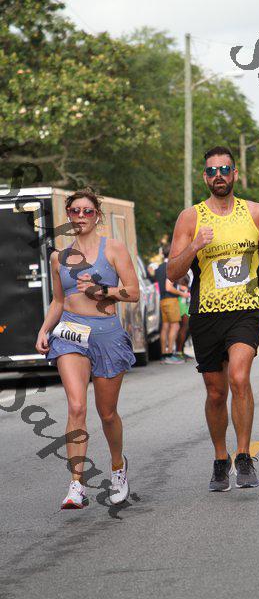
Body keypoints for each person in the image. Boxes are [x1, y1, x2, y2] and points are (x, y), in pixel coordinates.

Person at [167, 146, 259, 491]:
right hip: (206, 313)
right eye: (212, 171)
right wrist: (194, 246)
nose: (219, 176)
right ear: (205, 177)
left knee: (240, 377)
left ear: (235, 174)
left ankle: (243, 455)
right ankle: (220, 457)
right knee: (216, 393)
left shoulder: (256, 212)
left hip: (246, 308)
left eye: (225, 169)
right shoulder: (190, 218)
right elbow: (173, 271)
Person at [35, 188, 139, 509]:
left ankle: (118, 469)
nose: (81, 216)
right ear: (68, 215)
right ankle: (76, 484)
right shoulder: (58, 257)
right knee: (77, 406)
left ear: (97, 216)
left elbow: (133, 292)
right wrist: (44, 329)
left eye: (87, 211)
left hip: (107, 335)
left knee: (107, 413)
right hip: (70, 334)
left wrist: (102, 290)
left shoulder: (114, 249)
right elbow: (58, 301)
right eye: (75, 211)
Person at [154, 243, 190, 364]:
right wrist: (182, 294)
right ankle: (170, 354)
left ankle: (164, 354)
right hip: (171, 300)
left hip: (162, 300)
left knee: (165, 327)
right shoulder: (169, 267)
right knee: (175, 326)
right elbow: (168, 287)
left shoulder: (158, 268)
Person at [176, 275, 193, 360]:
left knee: (182, 330)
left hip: (182, 307)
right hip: (185, 308)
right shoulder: (184, 288)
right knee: (183, 330)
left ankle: (181, 351)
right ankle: (179, 352)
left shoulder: (178, 287)